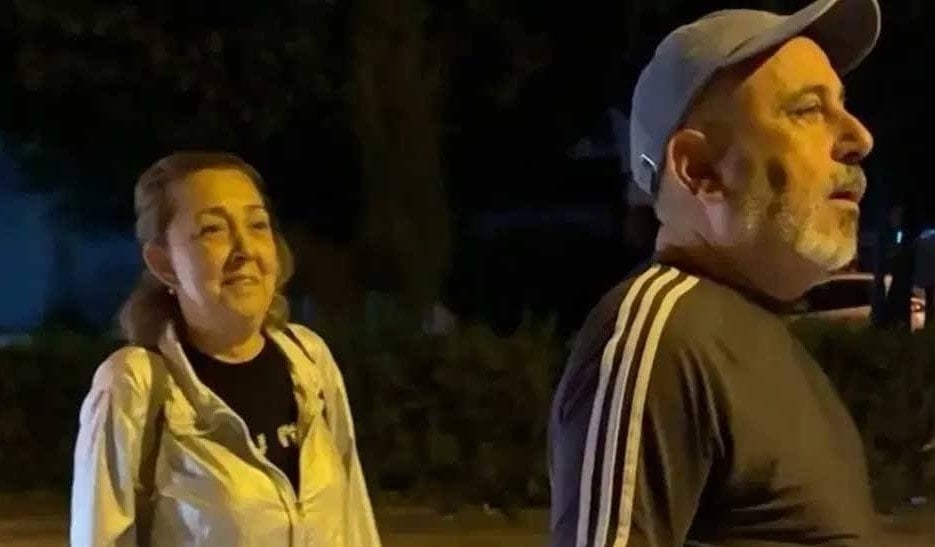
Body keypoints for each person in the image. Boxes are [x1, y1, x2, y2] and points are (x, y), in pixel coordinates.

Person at [548, 0, 882, 545]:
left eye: (842, 106)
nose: (859, 137)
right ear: (699, 170)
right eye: (807, 110)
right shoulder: (660, 335)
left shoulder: (768, 345)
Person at [70, 152, 381, 546]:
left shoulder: (309, 359)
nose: (245, 249)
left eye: (258, 225)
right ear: (164, 264)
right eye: (212, 230)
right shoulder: (133, 385)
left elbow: (355, 522)